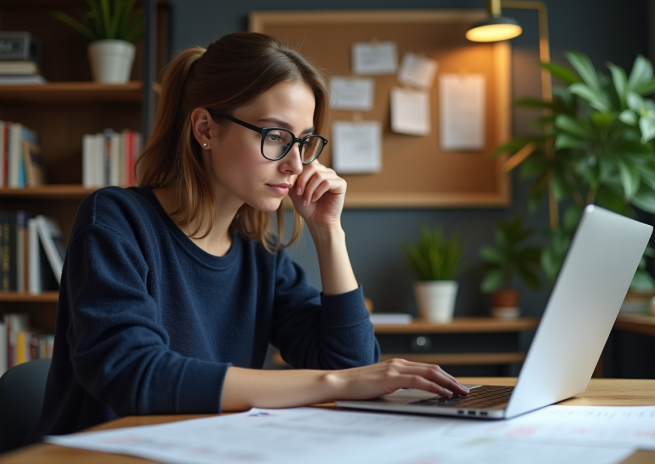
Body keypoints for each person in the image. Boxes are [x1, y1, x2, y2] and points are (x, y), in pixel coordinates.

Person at [25, 32, 468, 443]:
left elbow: (351, 366)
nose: (296, 164)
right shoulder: (117, 220)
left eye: (305, 141)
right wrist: (336, 383)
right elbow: (134, 373)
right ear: (205, 129)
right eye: (275, 136)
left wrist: (329, 232)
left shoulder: (261, 258)